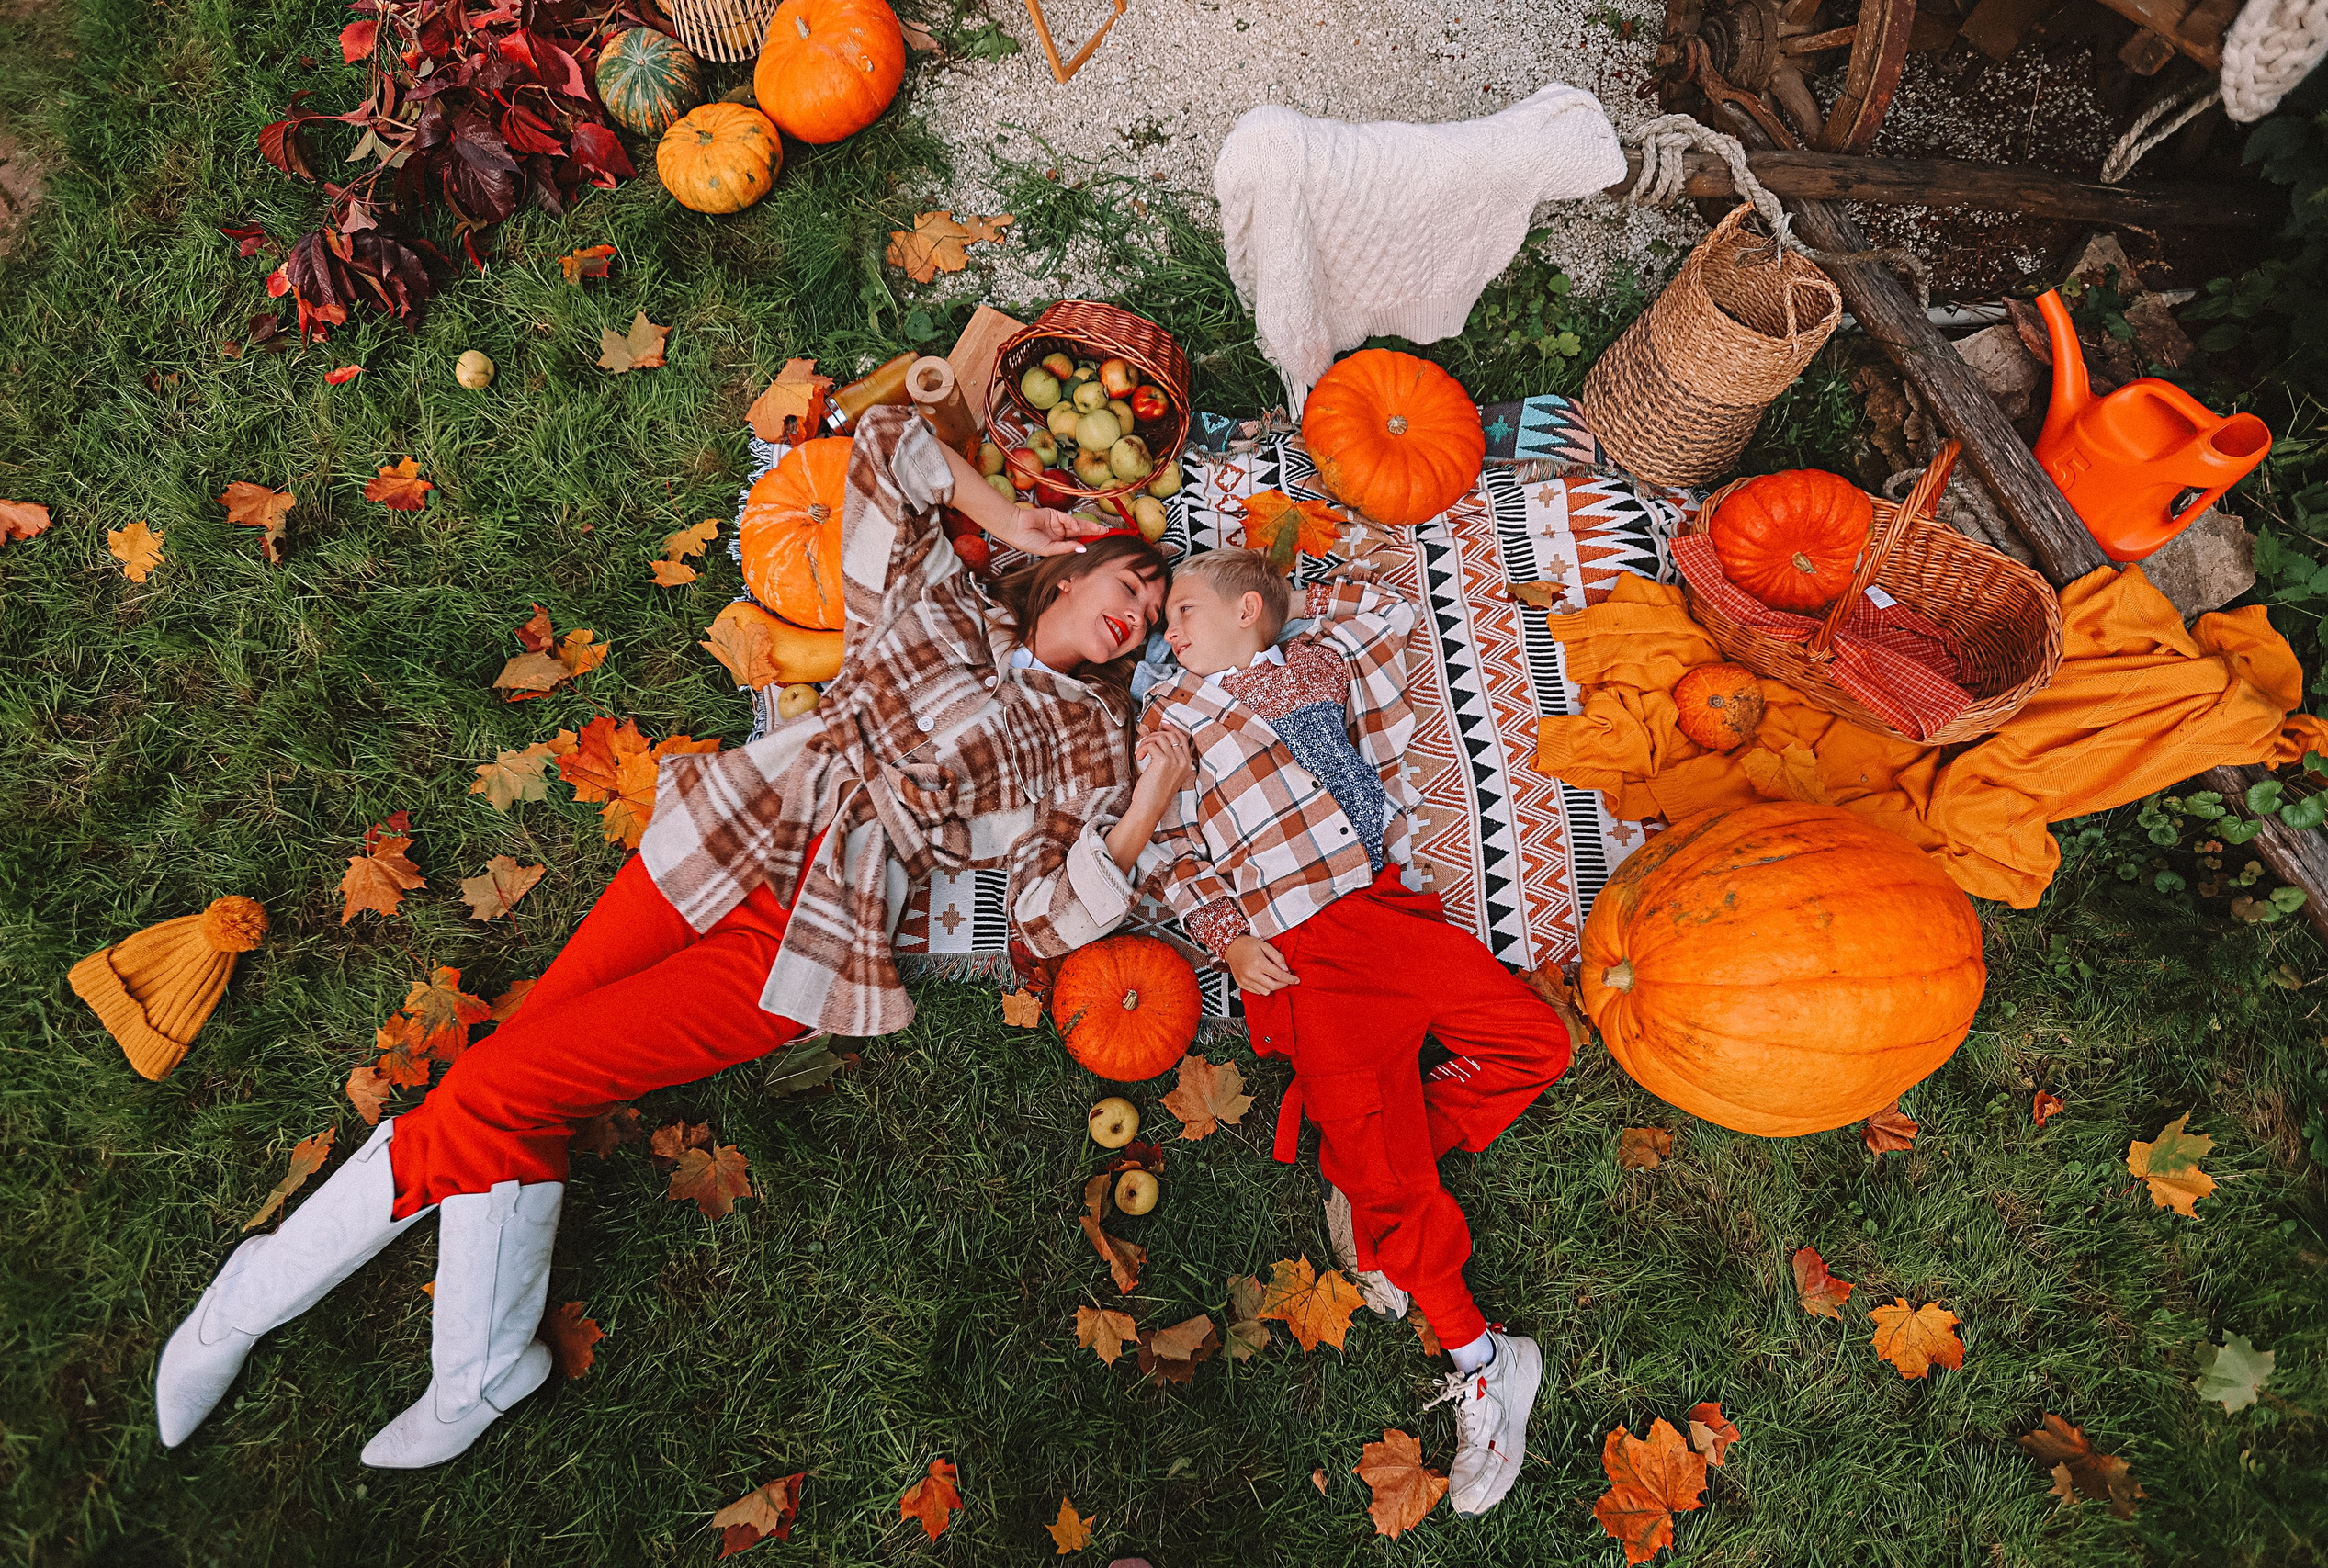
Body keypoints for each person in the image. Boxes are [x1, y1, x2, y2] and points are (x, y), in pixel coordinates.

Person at [153, 408, 1194, 1468]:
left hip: (813, 930)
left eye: (1155, 617)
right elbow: (885, 446)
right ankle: (472, 1368)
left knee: (502, 1085)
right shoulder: (941, 598)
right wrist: (1003, 514)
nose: (1140, 615)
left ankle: (244, 1305)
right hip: (731, 833)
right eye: (1133, 586)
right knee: (511, 1085)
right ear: (1072, 572)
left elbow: (1045, 915)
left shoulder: (1093, 748)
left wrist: (1151, 790)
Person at [1136, 546, 1571, 1518]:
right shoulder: (1171, 719)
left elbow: (1379, 612)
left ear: (1249, 607)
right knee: (1394, 1179)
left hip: (1385, 913)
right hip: (1304, 948)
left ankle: (1363, 1162)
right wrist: (1230, 936)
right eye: (1165, 618)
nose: (1170, 630)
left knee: (1536, 1045)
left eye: (1184, 611)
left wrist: (1284, 592)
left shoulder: (1316, 660)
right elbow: (1168, 847)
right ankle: (1483, 1356)